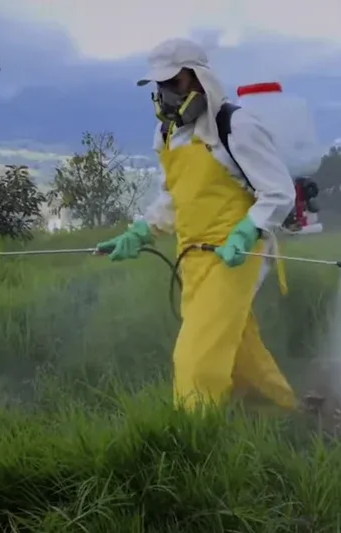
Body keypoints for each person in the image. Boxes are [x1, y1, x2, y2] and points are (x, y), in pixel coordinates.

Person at [97, 38, 299, 412]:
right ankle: (285, 412)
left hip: (237, 254)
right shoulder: (167, 136)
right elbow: (174, 198)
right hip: (193, 256)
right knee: (238, 345)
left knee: (197, 355)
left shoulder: (235, 126)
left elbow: (279, 192)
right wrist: (141, 231)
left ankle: (194, 438)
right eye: (159, 86)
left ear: (199, 79)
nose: (165, 94)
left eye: (173, 82)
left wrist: (247, 230)